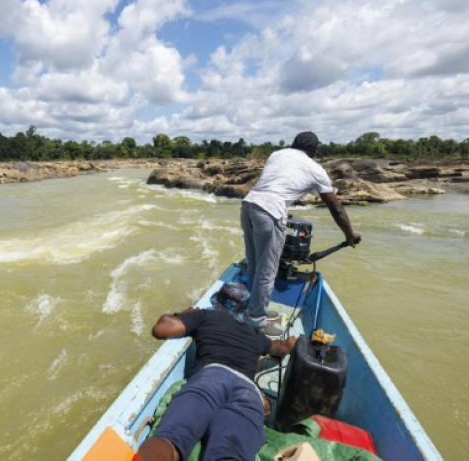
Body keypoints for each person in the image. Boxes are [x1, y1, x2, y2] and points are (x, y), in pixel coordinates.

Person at [136, 307, 296, 461]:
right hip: (248, 390)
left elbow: (161, 329)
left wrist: (187, 315)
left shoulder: (207, 316)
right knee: (231, 453)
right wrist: (290, 343)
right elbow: (280, 348)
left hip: (212, 377)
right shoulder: (254, 334)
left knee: (171, 438)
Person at [241, 131, 360, 336]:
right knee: (267, 270)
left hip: (249, 205)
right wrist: (349, 234)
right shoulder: (316, 169)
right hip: (269, 211)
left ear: (294, 144)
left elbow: (274, 183)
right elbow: (336, 207)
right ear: (314, 150)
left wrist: (282, 208)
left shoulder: (277, 155)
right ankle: (256, 320)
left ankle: (253, 309)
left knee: (254, 263)